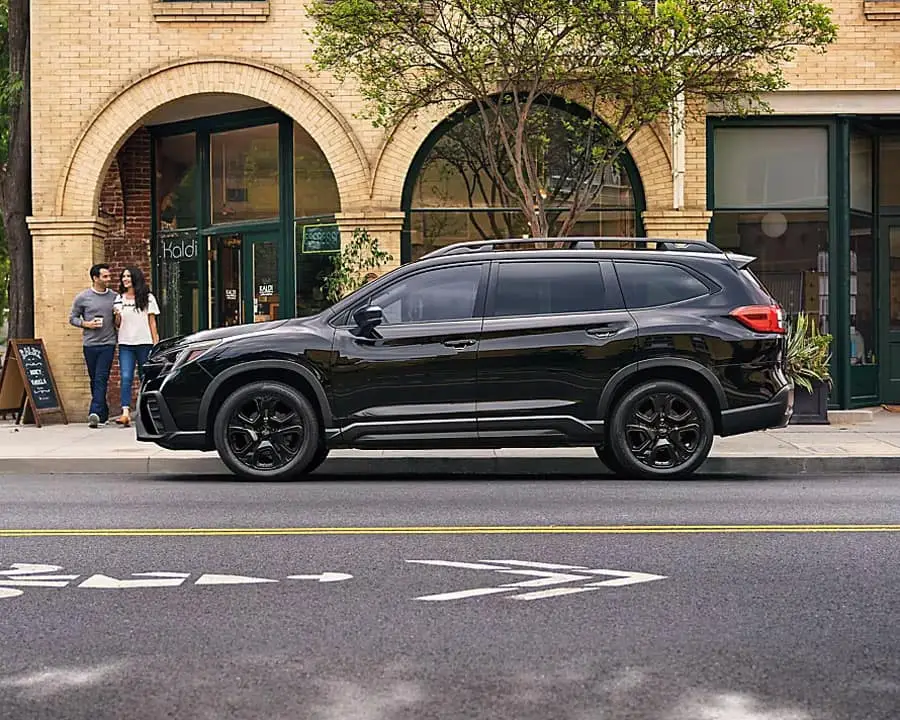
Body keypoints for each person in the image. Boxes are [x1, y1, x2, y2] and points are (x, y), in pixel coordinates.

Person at [69, 263, 117, 428]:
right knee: (94, 379)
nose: (108, 279)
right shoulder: (83, 297)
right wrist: (87, 324)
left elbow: (118, 321)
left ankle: (94, 412)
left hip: (108, 343)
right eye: (105, 276)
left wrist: (118, 316)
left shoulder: (114, 297)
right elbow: (72, 318)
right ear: (95, 278)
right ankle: (103, 413)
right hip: (90, 344)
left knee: (101, 378)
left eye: (109, 276)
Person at [113, 266, 160, 427]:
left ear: (135, 278)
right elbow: (118, 324)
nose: (125, 279)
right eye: (123, 277)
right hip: (126, 343)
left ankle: (145, 410)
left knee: (145, 377)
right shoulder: (119, 298)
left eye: (128, 276)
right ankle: (125, 412)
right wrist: (117, 316)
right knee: (126, 377)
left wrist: (156, 343)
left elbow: (152, 322)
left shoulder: (148, 298)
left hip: (144, 342)